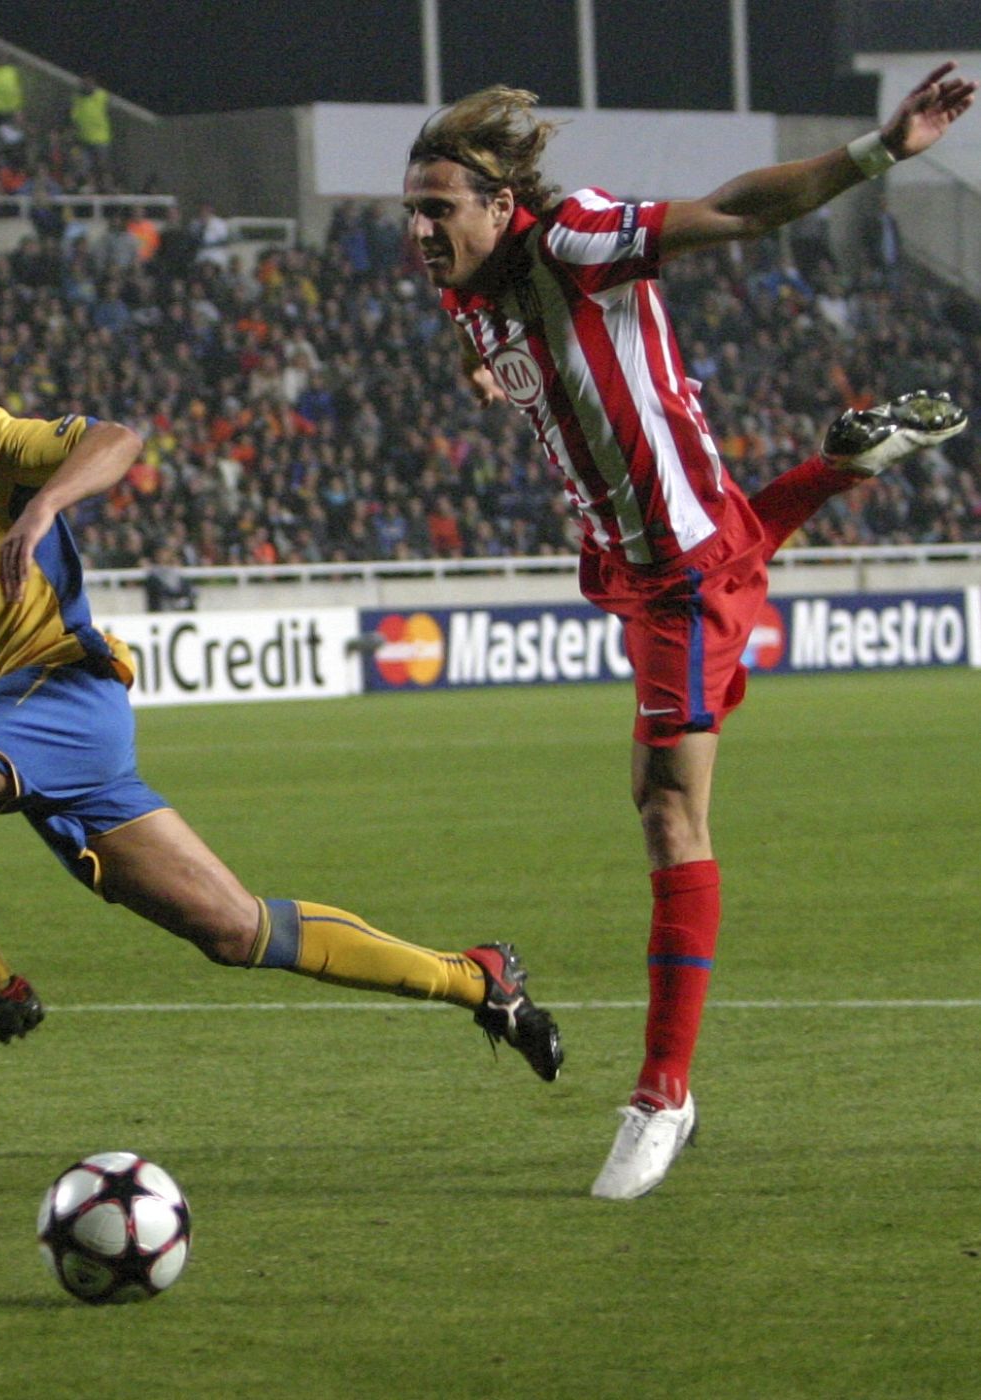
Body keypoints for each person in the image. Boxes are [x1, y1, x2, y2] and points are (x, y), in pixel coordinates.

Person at [0, 348, 563, 1087]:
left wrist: (44, 502)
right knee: (237, 930)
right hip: (26, 735)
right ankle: (476, 978)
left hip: (65, 691)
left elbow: (120, 438)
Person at [402, 63, 974, 1199]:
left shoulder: (575, 237)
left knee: (670, 808)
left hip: (680, 565)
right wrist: (487, 367)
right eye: (409, 211)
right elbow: (494, 344)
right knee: (653, 785)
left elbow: (742, 210)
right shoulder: (467, 281)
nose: (419, 231)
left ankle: (663, 1090)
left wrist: (878, 149)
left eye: (438, 209)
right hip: (636, 556)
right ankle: (834, 468)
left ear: (500, 203)